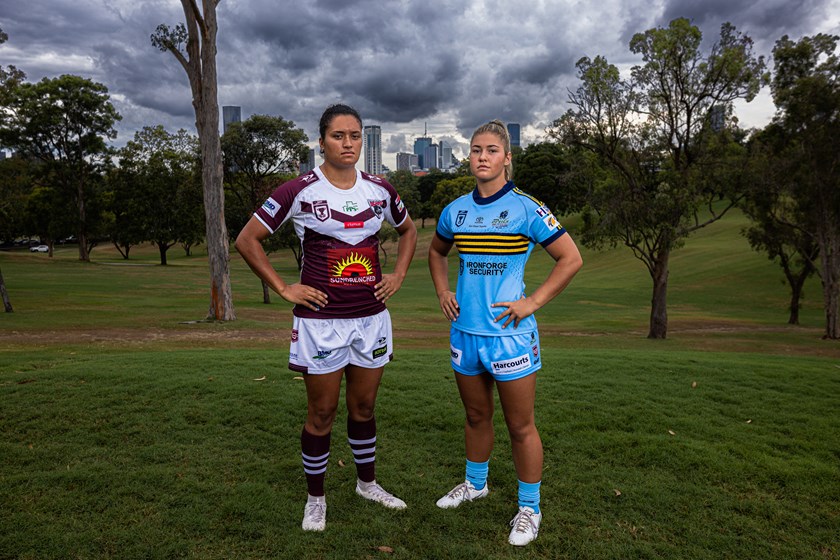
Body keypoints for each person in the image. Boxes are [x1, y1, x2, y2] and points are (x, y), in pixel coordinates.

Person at [235, 104, 417, 532]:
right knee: (322, 411)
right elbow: (247, 239)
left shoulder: (380, 189)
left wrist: (399, 273)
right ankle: (315, 497)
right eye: (338, 136)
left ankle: (367, 484)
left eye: (355, 135)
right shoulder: (298, 190)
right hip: (321, 322)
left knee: (365, 406)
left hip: (371, 318)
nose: (348, 143)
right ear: (321, 141)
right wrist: (284, 288)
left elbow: (408, 230)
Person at [428, 120, 582, 546]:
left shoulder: (527, 208)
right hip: (465, 333)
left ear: (507, 157)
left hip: (510, 336)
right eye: (476, 149)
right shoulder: (454, 209)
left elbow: (570, 258)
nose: (482, 156)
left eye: (492, 150)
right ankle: (475, 485)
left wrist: (532, 303)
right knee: (476, 416)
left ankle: (529, 509)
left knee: (520, 425)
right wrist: (443, 289)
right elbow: (437, 251)